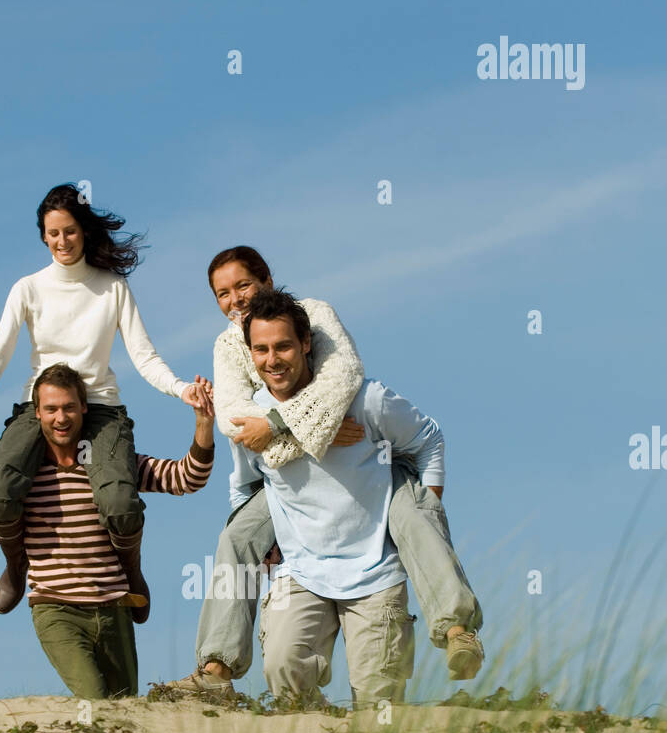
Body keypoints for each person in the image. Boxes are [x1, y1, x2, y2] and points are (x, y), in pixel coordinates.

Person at [168, 246, 483, 699]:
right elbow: (241, 469)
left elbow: (347, 378)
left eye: (243, 285)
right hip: (291, 514)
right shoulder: (231, 355)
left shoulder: (322, 329)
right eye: (223, 293)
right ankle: (216, 668)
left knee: (416, 515)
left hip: (370, 519)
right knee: (236, 538)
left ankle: (457, 629)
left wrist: (429, 506)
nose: (235, 299)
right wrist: (307, 436)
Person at [0, 184, 213, 623]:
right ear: (42, 236)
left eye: (70, 231)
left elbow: (144, 356)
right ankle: (17, 564)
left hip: (99, 410)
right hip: (42, 408)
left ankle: (131, 568)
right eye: (52, 233)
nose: (62, 241)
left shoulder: (112, 288)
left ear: (84, 232)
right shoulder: (28, 289)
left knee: (119, 502)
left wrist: (181, 388)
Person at [0, 363, 214, 700]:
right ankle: (15, 568)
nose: (61, 418)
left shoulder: (112, 467)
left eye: (69, 407)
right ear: (37, 414)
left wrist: (203, 422)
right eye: (51, 409)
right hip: (56, 609)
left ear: (84, 408)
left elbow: (188, 479)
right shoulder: (20, 479)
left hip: (114, 606)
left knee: (126, 711)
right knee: (95, 700)